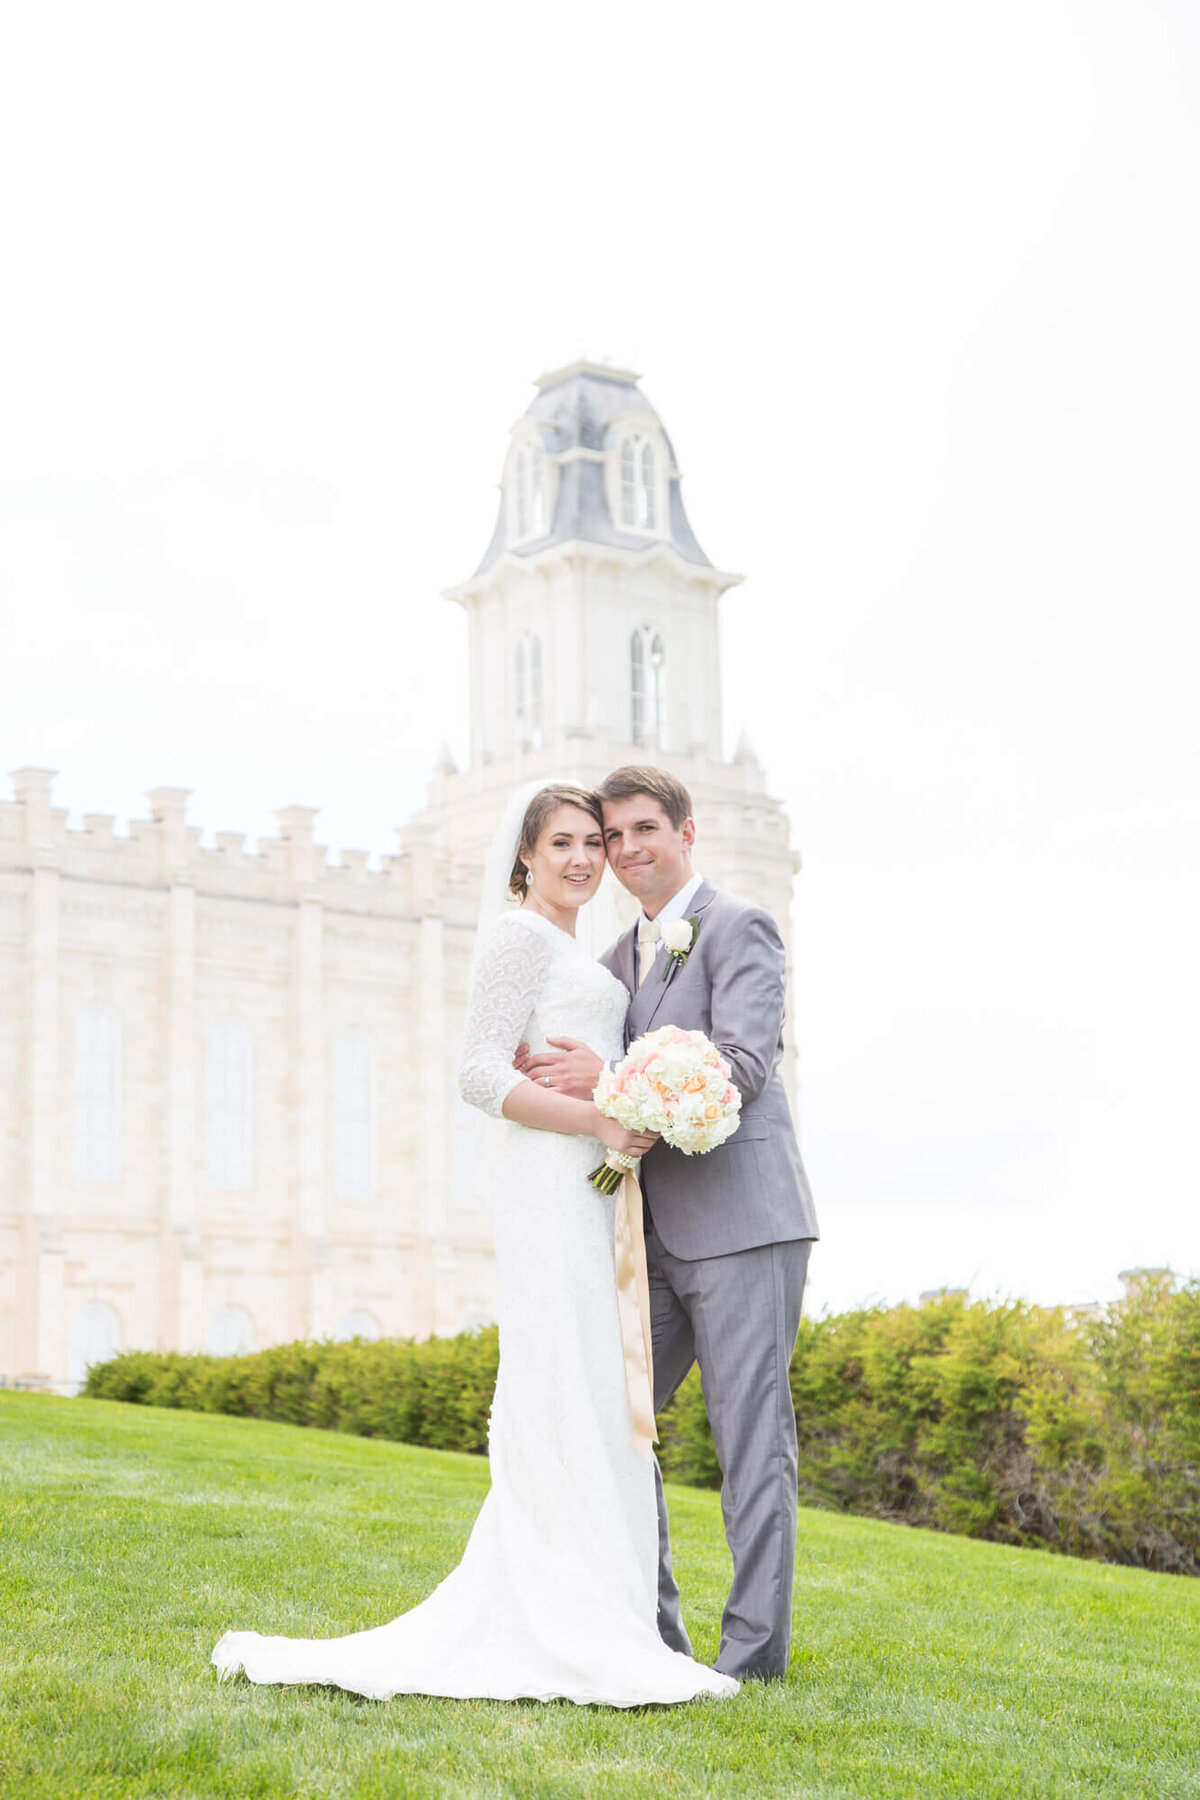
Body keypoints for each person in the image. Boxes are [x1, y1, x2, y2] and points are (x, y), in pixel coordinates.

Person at [211, 782, 737, 1707]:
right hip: (548, 1187)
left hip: (592, 1192)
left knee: (596, 1388)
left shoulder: (575, 947)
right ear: (525, 855)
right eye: (563, 843)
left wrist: (622, 1102)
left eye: (593, 843)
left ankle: (608, 1614)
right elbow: (478, 1073)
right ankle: (563, 1619)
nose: (582, 859)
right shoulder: (516, 938)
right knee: (559, 1382)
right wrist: (602, 1116)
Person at [516, 766, 819, 1682]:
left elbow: (742, 1065)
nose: (627, 848)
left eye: (644, 828)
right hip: (648, 1237)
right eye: (612, 837)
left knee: (750, 1440)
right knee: (616, 1418)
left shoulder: (740, 926)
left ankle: (752, 1658)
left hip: (745, 1223)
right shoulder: (616, 961)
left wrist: (607, 1083)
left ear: (686, 831)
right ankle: (656, 1638)